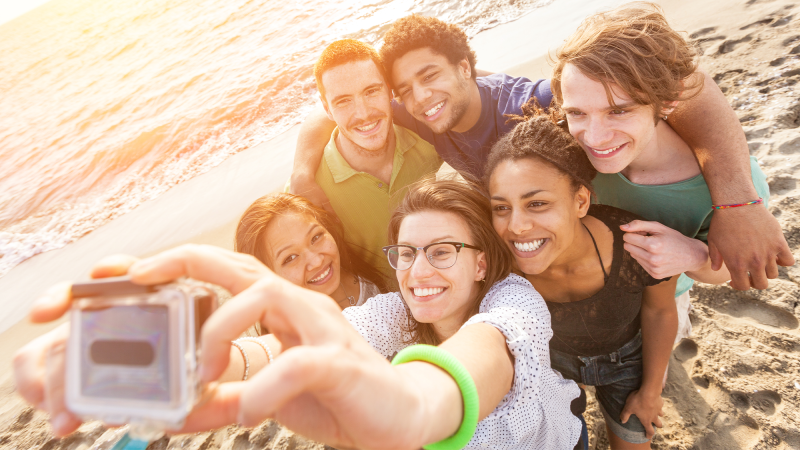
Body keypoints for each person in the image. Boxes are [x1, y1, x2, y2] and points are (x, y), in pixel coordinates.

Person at [15, 179, 587, 450]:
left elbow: (469, 365)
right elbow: (294, 346)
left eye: (442, 252)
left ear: (481, 262)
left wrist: (408, 407)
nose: (418, 271)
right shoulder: (390, 311)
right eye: (407, 254)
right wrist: (204, 359)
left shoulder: (514, 304)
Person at [289, 13, 792, 291]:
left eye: (430, 77)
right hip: (580, 244)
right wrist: (302, 174)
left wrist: (737, 201)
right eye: (404, 88)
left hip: (645, 262)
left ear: (466, 68)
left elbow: (687, 86)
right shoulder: (420, 108)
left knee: (658, 323)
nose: (419, 97)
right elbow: (341, 109)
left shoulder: (541, 104)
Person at [550, 2, 774, 341]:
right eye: (578, 113)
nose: (594, 138)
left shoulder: (735, 187)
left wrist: (692, 254)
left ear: (667, 101)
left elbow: (725, 269)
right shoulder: (570, 148)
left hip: (667, 297)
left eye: (619, 111)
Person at [485, 108, 678, 449]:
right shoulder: (502, 265)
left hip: (626, 361)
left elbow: (660, 312)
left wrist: (650, 392)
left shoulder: (638, 245)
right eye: (501, 207)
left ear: (580, 200)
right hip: (553, 363)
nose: (516, 226)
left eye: (538, 203)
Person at [290, 39, 442, 284]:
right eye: (343, 101)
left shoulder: (429, 140)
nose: (363, 113)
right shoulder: (309, 193)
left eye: (371, 91)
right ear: (326, 107)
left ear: (390, 90)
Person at [235, 192, 385, 309]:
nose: (317, 261)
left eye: (316, 237)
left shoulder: (358, 270)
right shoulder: (300, 337)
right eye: (290, 258)